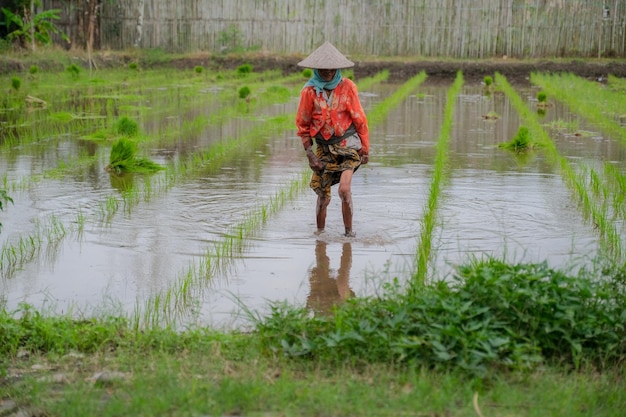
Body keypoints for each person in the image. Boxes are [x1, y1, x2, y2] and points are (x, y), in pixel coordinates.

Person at [295, 41, 370, 237]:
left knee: (344, 190)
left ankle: (349, 234)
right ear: (316, 69)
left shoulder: (348, 87)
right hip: (324, 149)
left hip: (348, 145)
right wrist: (309, 153)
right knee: (323, 197)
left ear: (338, 68)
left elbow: (360, 119)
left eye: (332, 68)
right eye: (323, 68)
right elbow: (302, 125)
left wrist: (365, 148)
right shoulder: (309, 92)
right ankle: (320, 236)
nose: (328, 71)